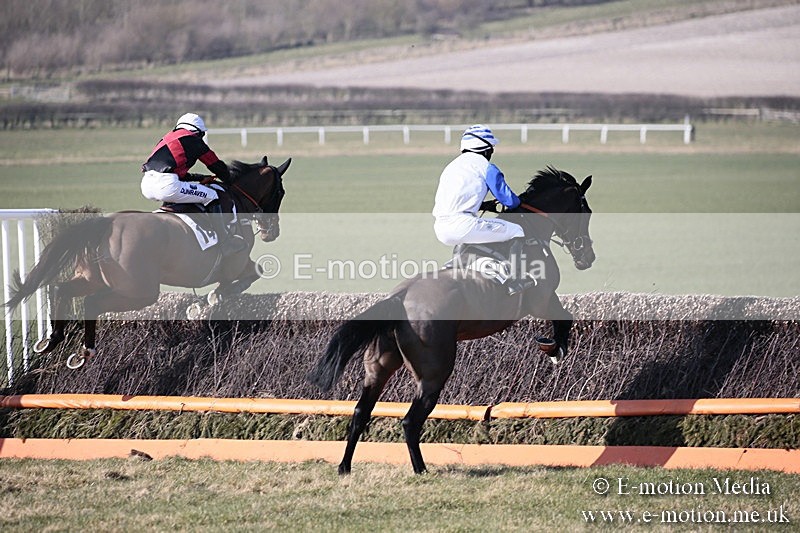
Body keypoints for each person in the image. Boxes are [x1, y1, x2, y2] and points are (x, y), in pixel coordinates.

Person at [432, 124, 532, 295]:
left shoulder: (452, 166)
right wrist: (521, 203)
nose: (492, 152)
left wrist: (483, 205)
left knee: (471, 232)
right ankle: (515, 280)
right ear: (486, 149)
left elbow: (457, 197)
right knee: (517, 231)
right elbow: (509, 200)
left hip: (440, 228)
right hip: (462, 225)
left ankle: (457, 263)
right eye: (491, 148)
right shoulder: (486, 167)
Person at [141, 112, 245, 255]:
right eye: (202, 135)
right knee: (212, 195)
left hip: (147, 184)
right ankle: (225, 242)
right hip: (167, 185)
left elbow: (175, 172)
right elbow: (215, 164)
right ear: (197, 132)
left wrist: (200, 177)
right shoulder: (193, 139)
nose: (201, 139)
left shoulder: (166, 138)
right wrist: (229, 180)